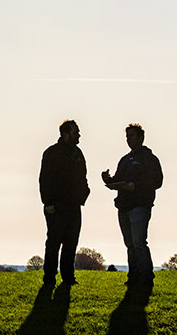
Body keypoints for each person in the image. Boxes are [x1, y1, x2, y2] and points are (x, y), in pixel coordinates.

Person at [102, 123, 163, 286]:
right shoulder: (125, 160)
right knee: (130, 244)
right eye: (127, 136)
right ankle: (134, 277)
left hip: (140, 206)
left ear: (141, 138)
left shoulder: (149, 159)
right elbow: (119, 179)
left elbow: (157, 181)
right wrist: (109, 180)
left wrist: (135, 186)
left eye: (132, 136)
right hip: (124, 206)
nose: (129, 139)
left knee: (139, 243)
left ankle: (146, 277)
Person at [39, 120, 91, 286]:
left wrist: (84, 194)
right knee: (54, 242)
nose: (79, 135)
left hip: (74, 206)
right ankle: (49, 278)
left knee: (71, 242)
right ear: (65, 134)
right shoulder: (51, 153)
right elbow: (44, 180)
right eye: (76, 132)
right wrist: (48, 203)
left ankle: (68, 278)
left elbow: (83, 177)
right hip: (56, 206)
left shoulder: (78, 154)